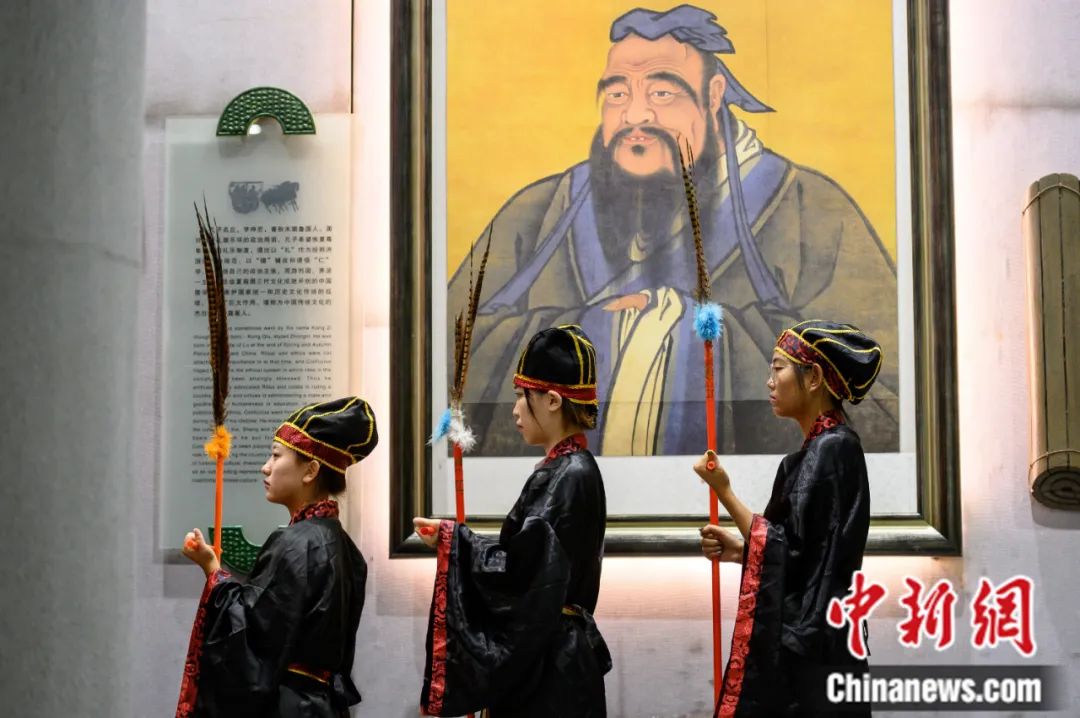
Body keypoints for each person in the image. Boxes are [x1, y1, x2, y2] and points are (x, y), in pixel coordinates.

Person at [450, 4, 898, 457]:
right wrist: (596, 325)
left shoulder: (807, 209)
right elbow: (454, 352)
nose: (634, 115)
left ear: (713, 94)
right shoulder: (539, 211)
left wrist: (678, 324)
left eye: (662, 93)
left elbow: (879, 393)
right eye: (617, 93)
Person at [414, 325, 611, 717]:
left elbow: (524, 573)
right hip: (557, 659)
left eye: (523, 395)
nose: (515, 408)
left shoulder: (567, 474)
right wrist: (457, 540)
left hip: (550, 673)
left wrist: (455, 541)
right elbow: (529, 561)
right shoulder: (572, 469)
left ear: (553, 401)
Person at [696, 320, 880, 716]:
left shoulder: (832, 449)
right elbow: (801, 552)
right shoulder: (819, 451)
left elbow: (787, 549)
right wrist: (741, 551)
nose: (769, 381)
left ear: (813, 377)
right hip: (817, 643)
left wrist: (724, 490)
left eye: (778, 368)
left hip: (816, 651)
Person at [175, 397, 378, 718]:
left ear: (310, 470)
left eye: (276, 455)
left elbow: (253, 638)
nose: (265, 467)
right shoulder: (348, 551)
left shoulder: (293, 544)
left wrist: (213, 571)